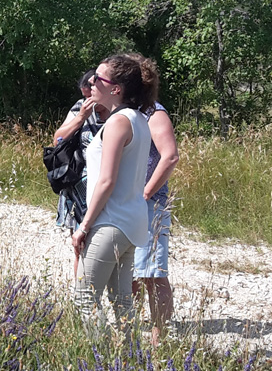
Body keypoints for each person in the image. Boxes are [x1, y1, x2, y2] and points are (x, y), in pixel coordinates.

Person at [71, 54, 158, 336]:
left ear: (116, 88)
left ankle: (100, 358)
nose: (91, 82)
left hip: (111, 222)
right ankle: (130, 359)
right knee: (122, 305)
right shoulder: (139, 119)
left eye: (99, 78)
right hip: (131, 223)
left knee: (85, 299)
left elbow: (106, 180)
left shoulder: (119, 122)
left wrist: (84, 226)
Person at [53, 69, 110, 277]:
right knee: (80, 248)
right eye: (85, 95)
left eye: (91, 94)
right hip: (80, 187)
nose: (88, 100)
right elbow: (57, 140)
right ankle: (81, 297)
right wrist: (81, 117)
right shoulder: (80, 107)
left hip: (109, 186)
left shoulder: (118, 112)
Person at [133, 100, 179, 345]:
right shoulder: (128, 110)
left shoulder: (153, 112)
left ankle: (158, 338)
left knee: (152, 274)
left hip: (149, 204)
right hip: (127, 204)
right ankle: (129, 332)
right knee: (130, 273)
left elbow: (170, 156)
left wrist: (146, 193)